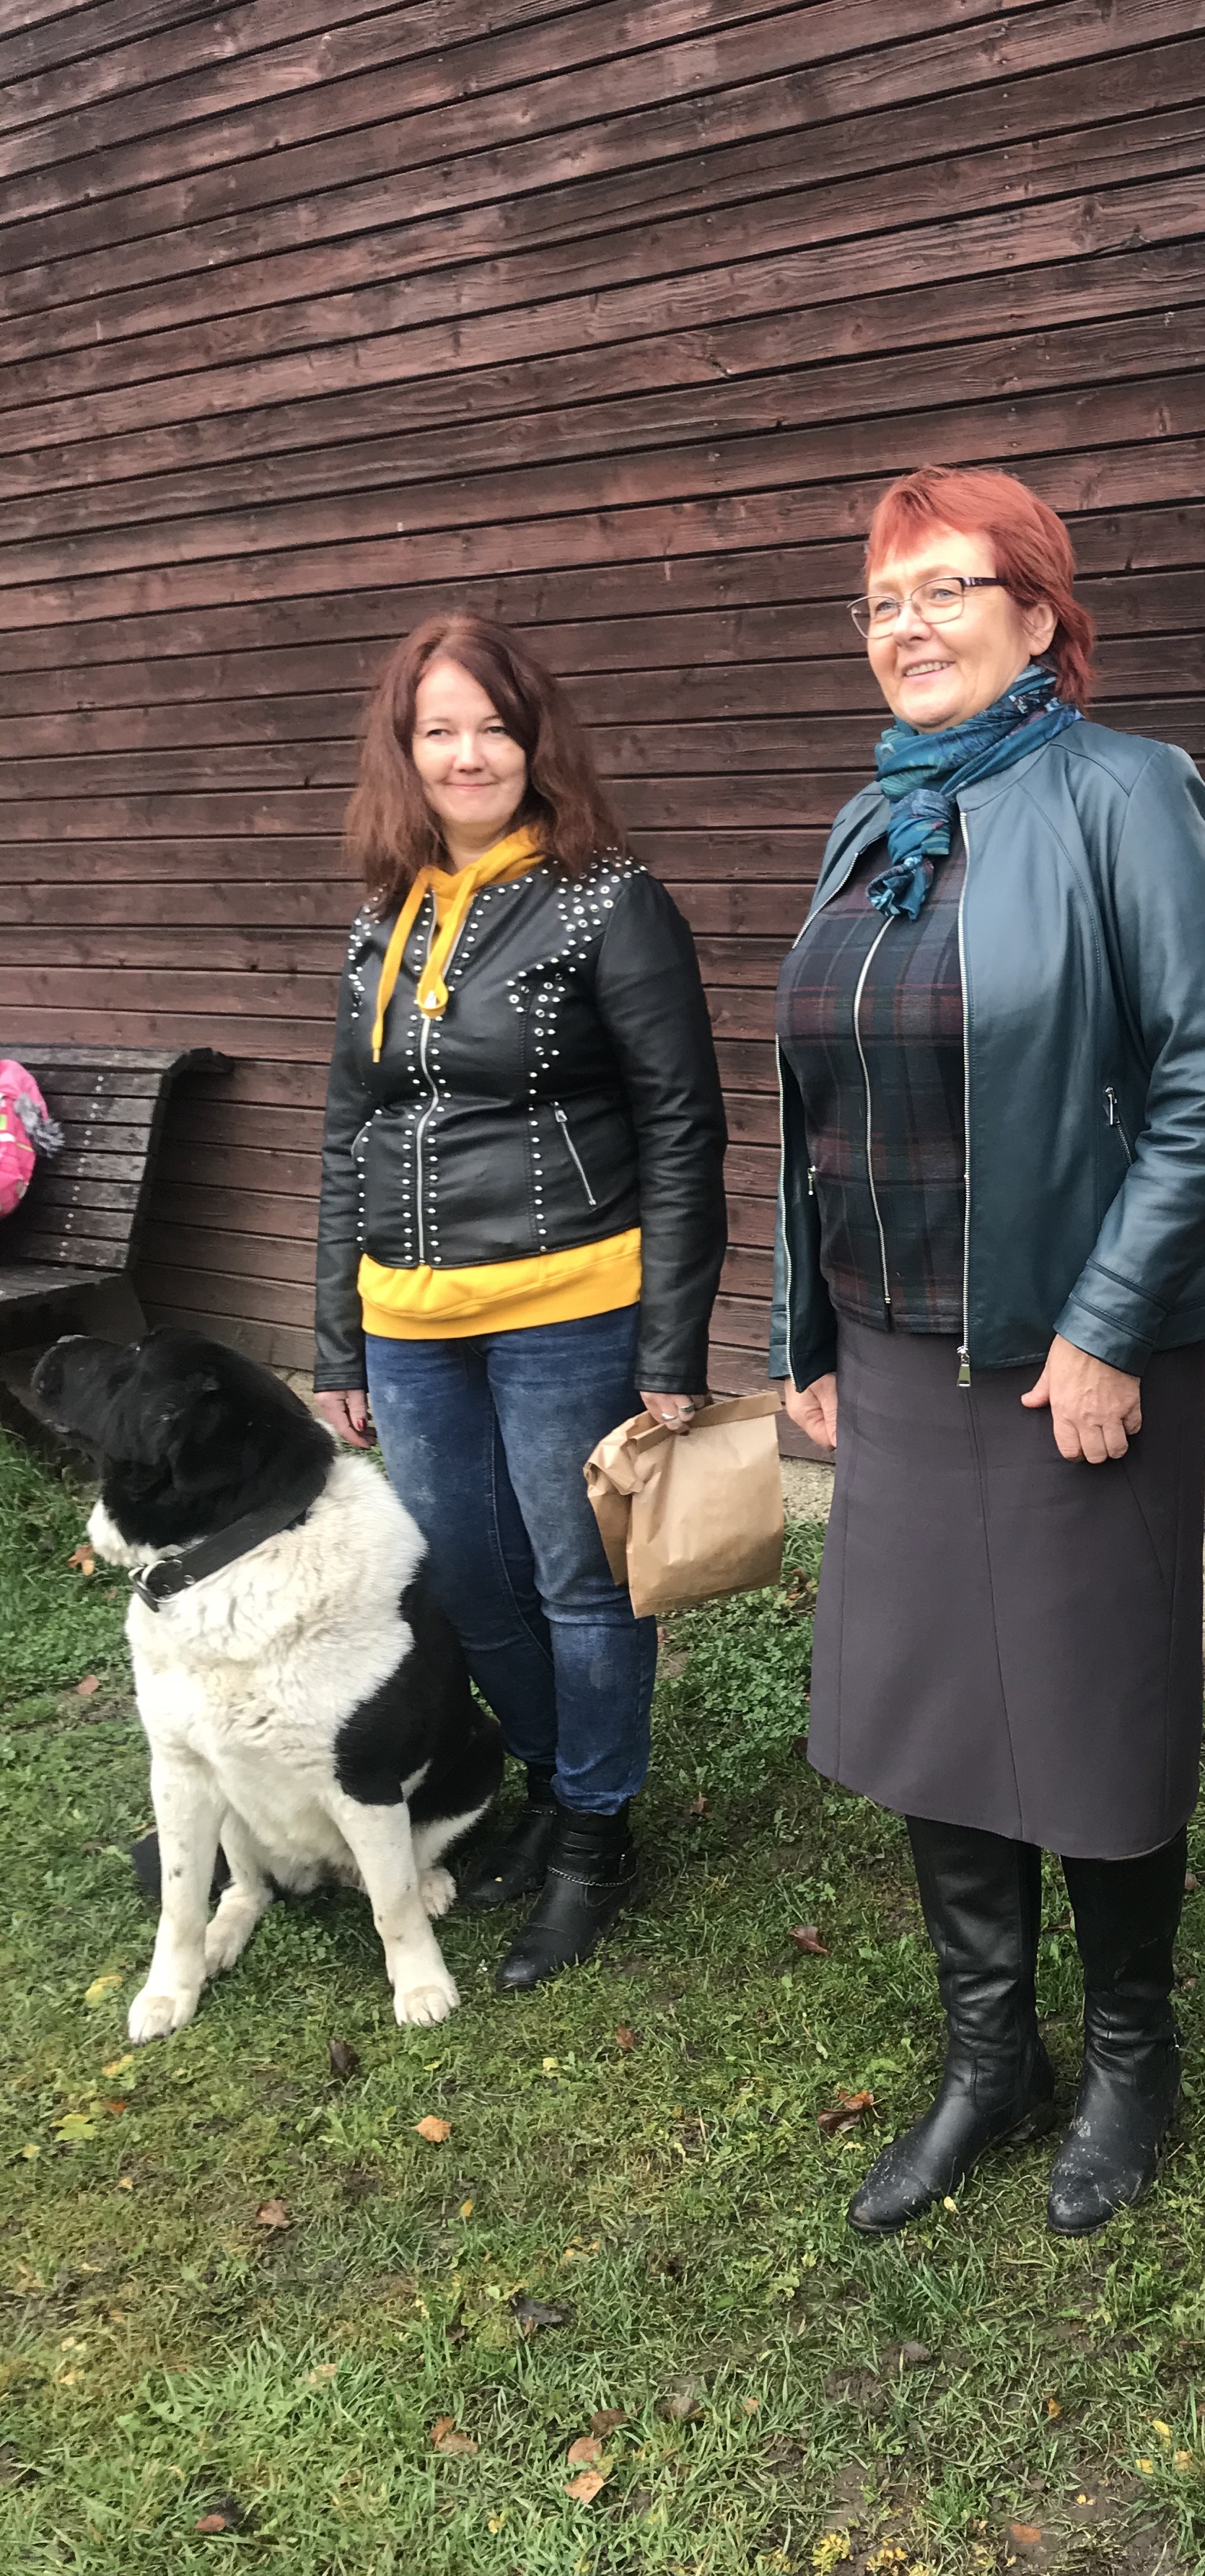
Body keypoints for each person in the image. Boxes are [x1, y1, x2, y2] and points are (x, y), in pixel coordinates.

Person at [773, 464, 1205, 2238]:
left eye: (947, 589)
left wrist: (1112, 1322)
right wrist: (809, 1327)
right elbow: (820, 1102)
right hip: (899, 1346)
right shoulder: (872, 820)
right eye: (882, 601)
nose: (907, 627)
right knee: (932, 1709)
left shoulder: (1126, 792)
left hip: (1075, 1352)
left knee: (1095, 1704)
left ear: (1041, 614)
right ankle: (992, 2058)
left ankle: (1134, 2055)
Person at [315, 613, 726, 1991]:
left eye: (494, 726)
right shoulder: (383, 915)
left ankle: (597, 1834)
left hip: (571, 1300)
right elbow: (351, 1132)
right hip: (406, 1318)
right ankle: (556, 1786)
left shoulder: (609, 898)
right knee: (467, 1581)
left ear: (536, 742)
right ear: (406, 750)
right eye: (439, 730)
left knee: (581, 1582)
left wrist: (672, 1339)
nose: (469, 754)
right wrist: (337, 1339)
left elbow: (683, 1122)